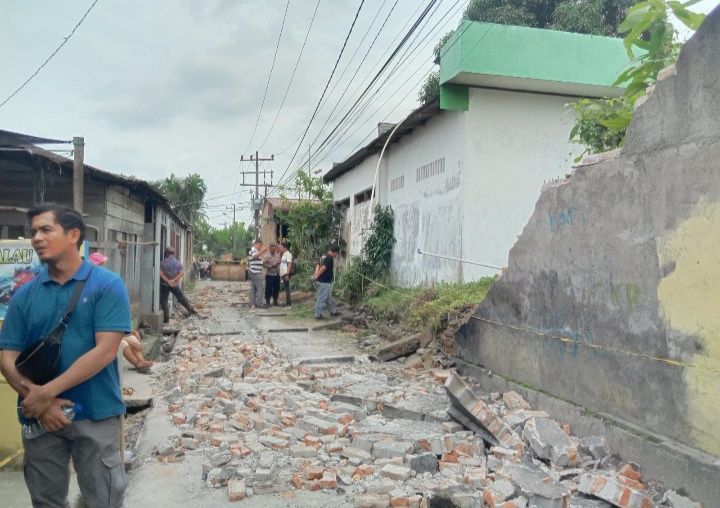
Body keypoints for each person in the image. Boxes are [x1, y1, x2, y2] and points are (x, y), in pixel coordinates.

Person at [0, 203, 130, 507]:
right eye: (33, 231)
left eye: (46, 229)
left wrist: (45, 394)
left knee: (104, 499)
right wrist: (41, 402)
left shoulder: (107, 285)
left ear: (73, 235)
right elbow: (7, 357)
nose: (36, 238)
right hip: (39, 418)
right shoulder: (23, 295)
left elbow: (105, 351)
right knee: (46, 501)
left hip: (96, 413)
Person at [87, 252, 153, 374]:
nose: (102, 266)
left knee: (134, 337)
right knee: (122, 343)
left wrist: (127, 331)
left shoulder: (104, 283)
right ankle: (138, 363)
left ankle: (141, 362)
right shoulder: (92, 286)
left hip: (110, 327)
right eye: (100, 264)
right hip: (101, 331)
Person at [160, 246, 196, 323]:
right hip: (174, 285)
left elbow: (161, 274)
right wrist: (173, 280)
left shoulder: (162, 263)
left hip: (164, 284)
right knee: (181, 298)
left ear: (166, 253)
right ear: (173, 253)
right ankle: (190, 310)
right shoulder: (178, 263)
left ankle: (166, 319)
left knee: (164, 301)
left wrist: (168, 281)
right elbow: (181, 273)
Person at [311, 244, 340, 319]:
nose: (337, 255)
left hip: (322, 281)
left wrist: (315, 274)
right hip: (324, 282)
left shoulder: (323, 257)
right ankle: (317, 314)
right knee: (322, 298)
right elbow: (323, 268)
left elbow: (318, 265)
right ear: (335, 252)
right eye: (337, 254)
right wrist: (317, 276)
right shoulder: (329, 258)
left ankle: (333, 311)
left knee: (327, 298)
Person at [247, 240, 266, 309]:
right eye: (260, 245)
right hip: (254, 272)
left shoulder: (256, 251)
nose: (261, 247)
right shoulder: (252, 250)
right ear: (257, 244)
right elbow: (255, 256)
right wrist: (263, 251)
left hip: (255, 272)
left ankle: (252, 303)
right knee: (261, 288)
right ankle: (259, 303)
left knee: (253, 289)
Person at [278, 241, 293, 309]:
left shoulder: (288, 254)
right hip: (283, 274)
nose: (280, 248)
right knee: (286, 289)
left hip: (286, 274)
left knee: (287, 289)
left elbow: (289, 264)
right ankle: (288, 303)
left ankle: (289, 304)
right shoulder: (284, 254)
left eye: (281, 247)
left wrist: (287, 274)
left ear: (284, 247)